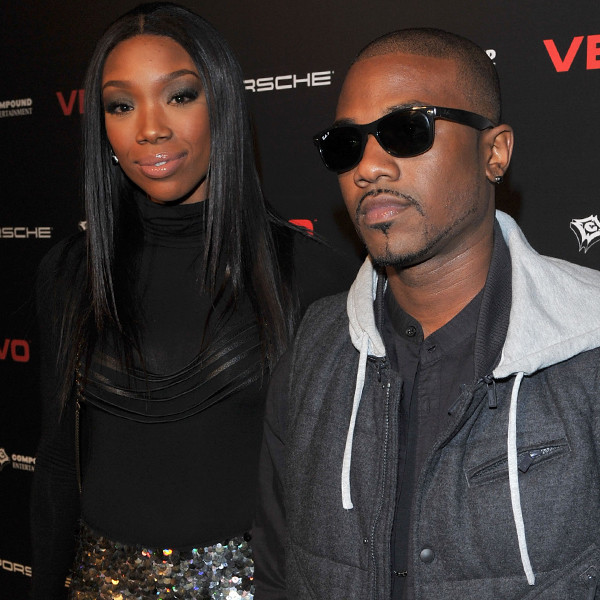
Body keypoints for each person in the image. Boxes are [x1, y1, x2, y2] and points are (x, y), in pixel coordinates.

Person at [252, 28, 600, 600]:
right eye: (345, 145)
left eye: (406, 131)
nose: (369, 168)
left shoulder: (589, 341)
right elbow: (276, 568)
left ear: (494, 152)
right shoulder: (314, 346)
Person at [31, 3, 299, 599]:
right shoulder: (69, 272)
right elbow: (56, 468)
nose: (149, 128)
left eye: (179, 96)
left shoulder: (306, 273)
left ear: (222, 103)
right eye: (121, 105)